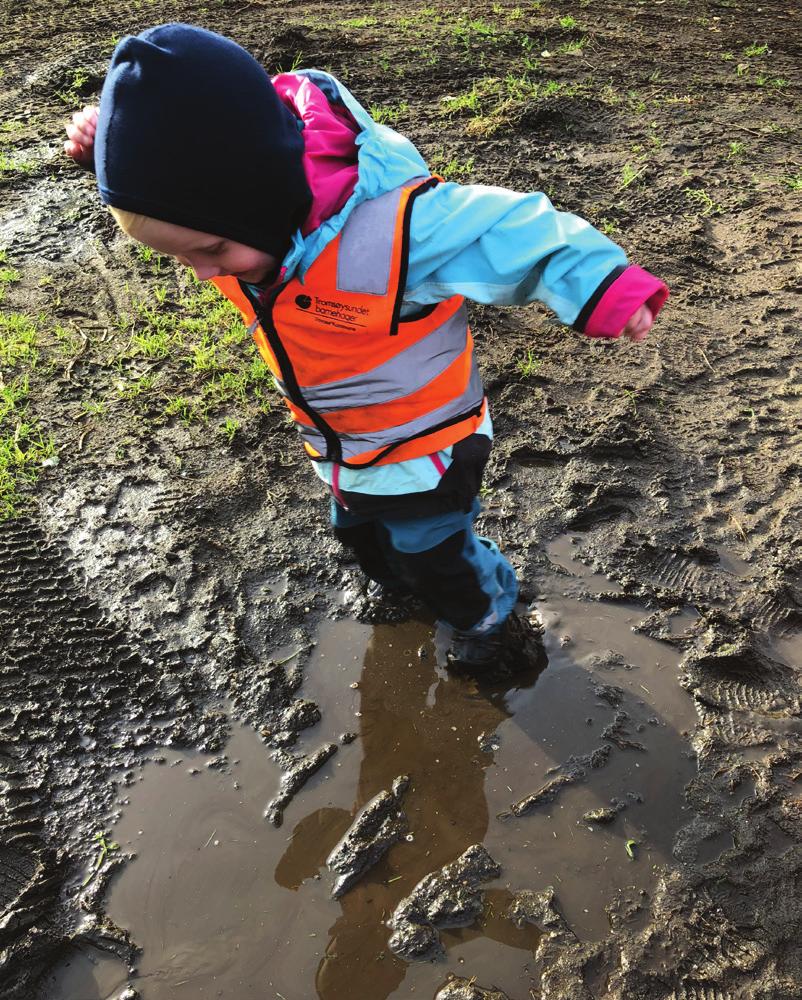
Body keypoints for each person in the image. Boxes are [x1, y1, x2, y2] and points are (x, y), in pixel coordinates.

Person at [64, 24, 668, 678]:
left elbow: (519, 230)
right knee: (362, 539)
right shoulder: (239, 214)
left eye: (211, 252)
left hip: (427, 452)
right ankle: (403, 585)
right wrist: (113, 157)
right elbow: (184, 167)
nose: (207, 274)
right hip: (344, 448)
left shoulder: (398, 226)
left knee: (440, 555)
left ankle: (494, 623)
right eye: (181, 257)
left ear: (262, 194)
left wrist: (605, 288)